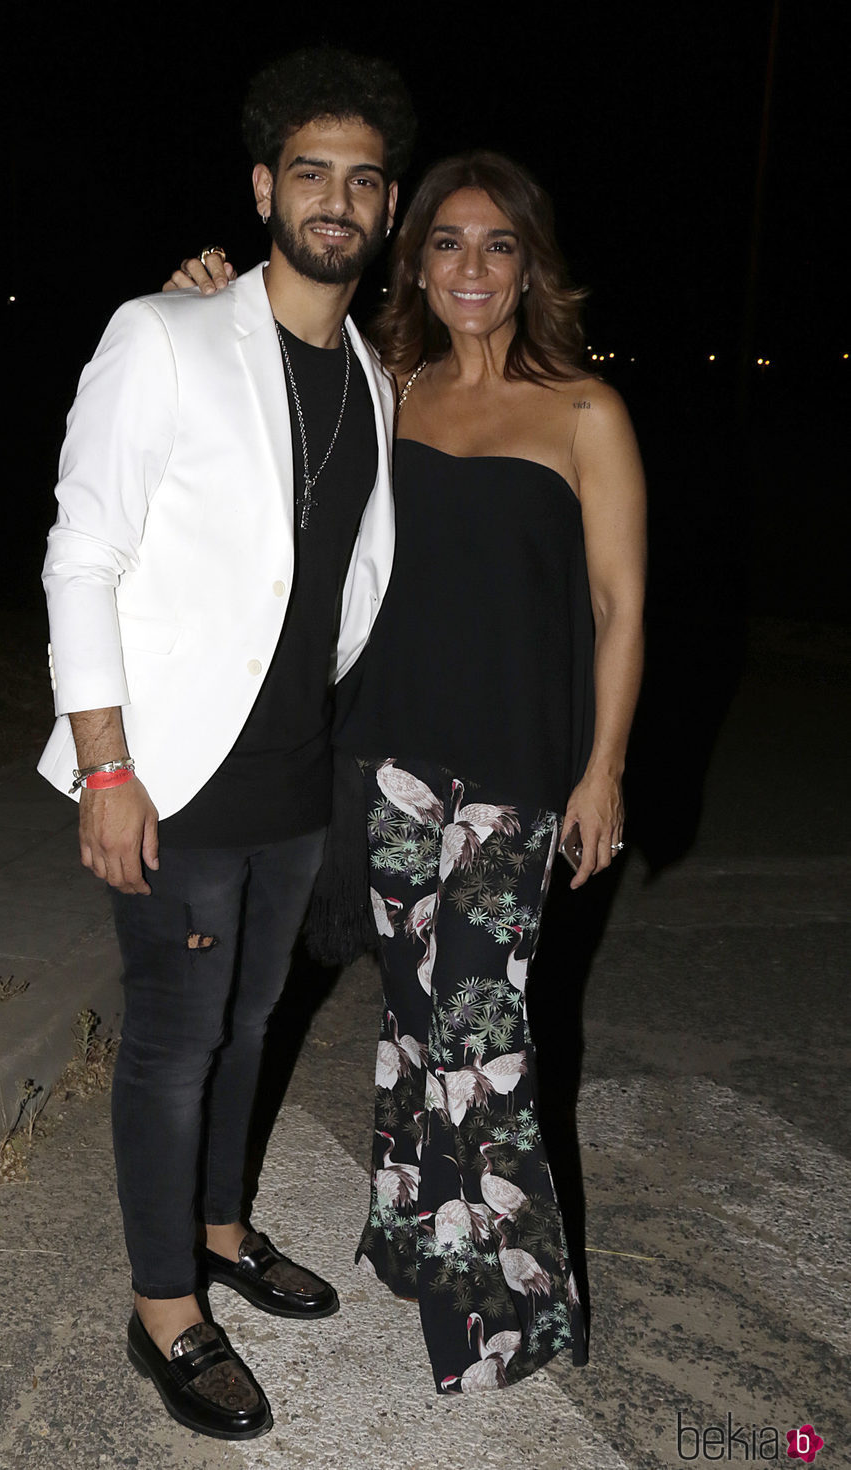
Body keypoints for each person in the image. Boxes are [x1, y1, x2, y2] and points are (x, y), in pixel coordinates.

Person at [174, 148, 646, 1394]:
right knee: (410, 1007)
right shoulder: (388, 387)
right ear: (413, 259)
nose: (471, 266)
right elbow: (258, 412)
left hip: (516, 769)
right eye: (446, 242)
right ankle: (404, 1230)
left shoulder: (585, 411)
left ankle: (511, 1308)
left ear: (527, 263)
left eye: (496, 244)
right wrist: (204, 298)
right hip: (384, 757)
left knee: (479, 1024)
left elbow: (618, 605)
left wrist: (601, 772)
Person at [38, 47, 415, 1439]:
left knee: (254, 1021)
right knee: (174, 1041)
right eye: (309, 172)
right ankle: (162, 1308)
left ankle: (219, 1224)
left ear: (385, 209)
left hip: (295, 773)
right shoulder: (168, 329)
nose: (336, 199)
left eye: (362, 180)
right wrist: (108, 765)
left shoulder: (370, 372)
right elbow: (83, 555)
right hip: (175, 777)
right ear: (265, 187)